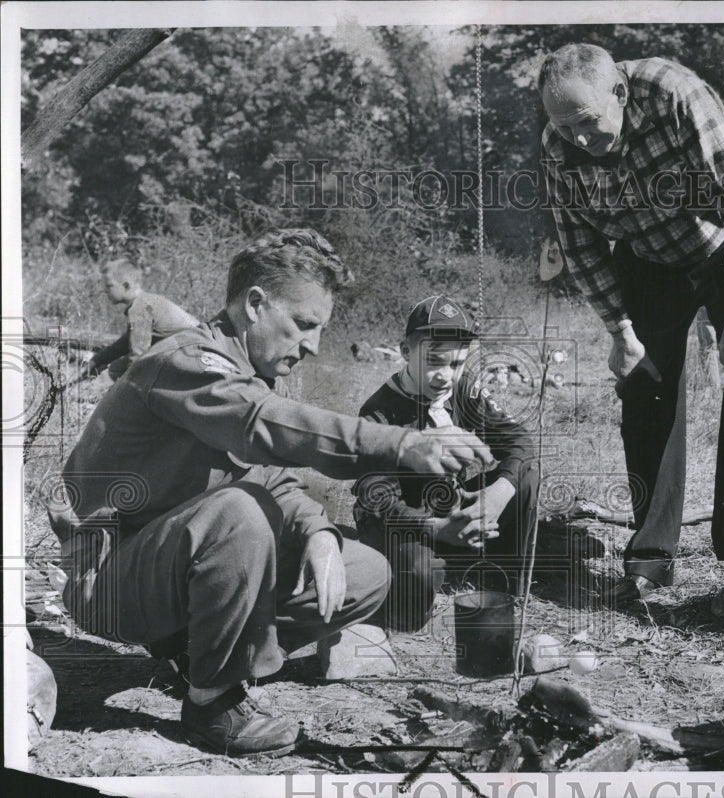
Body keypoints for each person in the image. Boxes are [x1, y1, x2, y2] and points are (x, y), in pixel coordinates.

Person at [47, 229, 494, 758]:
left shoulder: (244, 369)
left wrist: (319, 532)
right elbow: (264, 426)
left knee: (365, 572)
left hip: (171, 561)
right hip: (110, 580)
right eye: (304, 325)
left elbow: (267, 473)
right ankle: (213, 703)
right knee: (241, 511)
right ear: (255, 305)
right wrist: (402, 443)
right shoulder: (189, 362)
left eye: (320, 329)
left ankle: (199, 655)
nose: (313, 346)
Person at [539, 43, 724, 612]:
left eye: (587, 122)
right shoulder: (560, 146)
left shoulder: (674, 93)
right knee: (645, 384)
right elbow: (581, 246)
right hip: (652, 258)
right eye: (563, 125)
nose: (577, 138)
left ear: (620, 94)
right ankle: (650, 557)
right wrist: (619, 329)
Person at [353, 295, 538, 633]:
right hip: (413, 523)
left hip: (456, 508)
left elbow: (519, 440)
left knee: (524, 472)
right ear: (406, 352)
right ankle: (414, 586)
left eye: (455, 364)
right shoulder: (378, 413)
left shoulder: (463, 389)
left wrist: (496, 494)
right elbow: (379, 503)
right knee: (412, 601)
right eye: (434, 361)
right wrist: (439, 529)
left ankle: (503, 577)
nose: (444, 377)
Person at [82, 258, 199, 381]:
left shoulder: (140, 308)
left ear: (126, 285)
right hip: (190, 351)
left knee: (117, 368)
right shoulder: (145, 301)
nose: (104, 290)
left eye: (109, 285)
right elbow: (123, 344)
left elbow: (138, 356)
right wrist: (97, 360)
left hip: (193, 354)